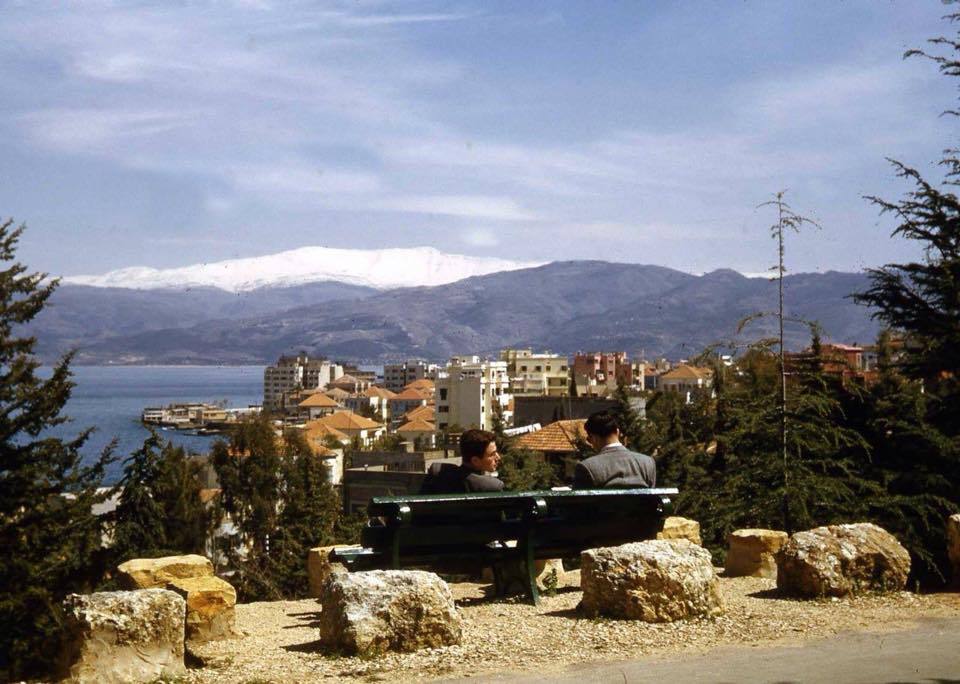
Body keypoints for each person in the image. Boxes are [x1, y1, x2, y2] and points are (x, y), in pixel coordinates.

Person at [573, 410, 656, 488]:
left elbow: (579, 502)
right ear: (617, 432)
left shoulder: (586, 467)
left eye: (589, 439)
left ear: (594, 438)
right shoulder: (648, 463)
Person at [421, 428, 505, 493]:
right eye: (492, 454)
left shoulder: (437, 474)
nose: (498, 457)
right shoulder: (492, 487)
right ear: (475, 461)